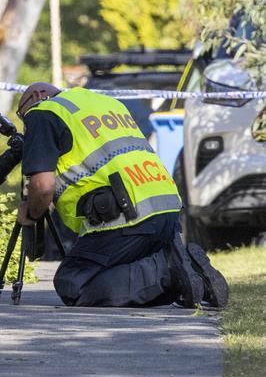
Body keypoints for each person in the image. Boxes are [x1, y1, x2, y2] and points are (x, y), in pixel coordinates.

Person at [16, 82, 228, 308]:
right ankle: (191, 276)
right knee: (121, 272)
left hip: (126, 218)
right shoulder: (107, 103)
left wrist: (31, 212)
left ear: (38, 95)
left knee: (73, 283)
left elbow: (43, 186)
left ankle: (169, 270)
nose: (26, 125)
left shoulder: (43, 112)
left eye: (23, 115)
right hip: (167, 209)